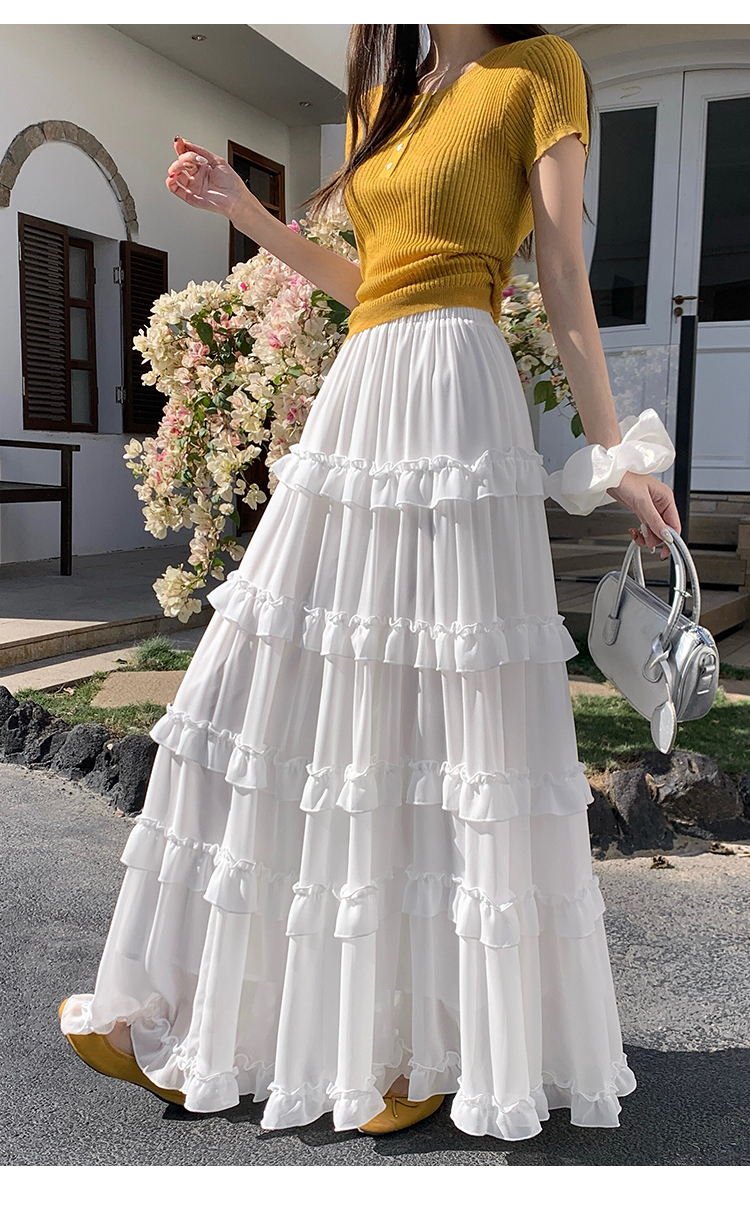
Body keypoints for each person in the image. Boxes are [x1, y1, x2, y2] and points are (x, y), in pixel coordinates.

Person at [60, 23, 679, 1140]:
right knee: (269, 685)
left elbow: (559, 271)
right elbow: (369, 283)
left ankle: (420, 1043)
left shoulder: (541, 71)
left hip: (454, 394)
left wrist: (612, 451)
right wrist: (250, 218)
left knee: (440, 716)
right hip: (364, 393)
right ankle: (221, 1009)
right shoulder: (388, 93)